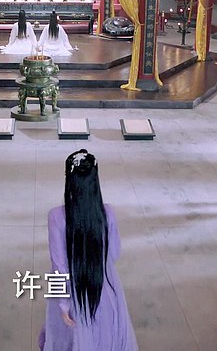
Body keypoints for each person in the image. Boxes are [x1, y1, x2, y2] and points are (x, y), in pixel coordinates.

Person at [39, 149, 138, 351]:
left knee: (72, 338)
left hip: (71, 291)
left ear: (69, 182)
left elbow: (59, 266)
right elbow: (114, 253)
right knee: (105, 335)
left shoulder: (56, 217)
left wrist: (64, 304)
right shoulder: (107, 213)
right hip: (103, 284)